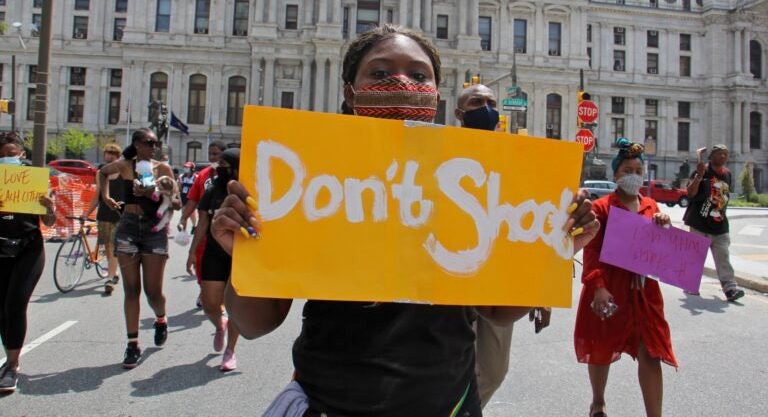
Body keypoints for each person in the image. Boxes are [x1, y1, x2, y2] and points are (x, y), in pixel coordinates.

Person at [211, 25, 600, 416]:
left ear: (436, 91)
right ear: (350, 91)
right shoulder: (306, 175)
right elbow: (255, 322)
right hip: (332, 404)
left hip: (448, 405)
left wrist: (550, 247)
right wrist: (240, 253)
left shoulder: (467, 177)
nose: (401, 82)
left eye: (418, 75)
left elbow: (500, 312)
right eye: (380, 73)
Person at [454, 83, 552, 408]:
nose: (487, 108)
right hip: (451, 271)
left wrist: (541, 289)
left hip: (499, 276)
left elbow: (532, 221)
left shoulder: (518, 159)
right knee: (445, 363)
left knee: (494, 370)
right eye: (477, 102)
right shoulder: (442, 151)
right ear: (459, 113)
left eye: (491, 102)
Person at [574, 138, 676, 417]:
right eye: (626, 170)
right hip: (609, 288)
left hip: (645, 293)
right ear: (615, 174)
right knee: (601, 346)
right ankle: (598, 401)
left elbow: (660, 250)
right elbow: (591, 250)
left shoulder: (652, 205)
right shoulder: (603, 208)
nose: (633, 176)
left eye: (637, 171)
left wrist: (664, 225)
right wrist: (598, 287)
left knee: (651, 351)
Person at [98, 128, 180, 368]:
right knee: (131, 289)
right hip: (129, 228)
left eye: (156, 143)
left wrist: (155, 191)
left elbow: (176, 202)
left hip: (154, 231)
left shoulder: (163, 169)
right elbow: (102, 173)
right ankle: (132, 344)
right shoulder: (124, 165)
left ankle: (161, 319)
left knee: (153, 292)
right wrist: (105, 197)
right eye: (148, 143)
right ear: (136, 144)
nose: (153, 147)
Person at [0, 132, 57, 393]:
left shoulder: (34, 181)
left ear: (22, 155)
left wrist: (49, 208)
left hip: (28, 250)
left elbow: (49, 223)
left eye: (12, 155)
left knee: (15, 303)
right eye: (2, 155)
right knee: (2, 307)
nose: (8, 159)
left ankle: (12, 366)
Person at [192, 148, 242, 371]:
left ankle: (230, 350)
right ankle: (219, 325)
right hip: (213, 252)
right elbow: (202, 222)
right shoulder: (211, 190)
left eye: (223, 164)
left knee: (236, 306)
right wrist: (193, 251)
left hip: (239, 254)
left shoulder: (245, 191)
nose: (217, 167)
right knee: (211, 304)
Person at [684, 144, 744, 302]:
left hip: (720, 223)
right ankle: (691, 283)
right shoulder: (702, 170)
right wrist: (699, 176)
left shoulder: (728, 174)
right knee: (696, 257)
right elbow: (690, 193)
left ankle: (730, 287)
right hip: (699, 223)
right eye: (720, 154)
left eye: (726, 154)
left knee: (723, 256)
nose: (723, 157)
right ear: (711, 156)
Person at [181, 141, 226, 308]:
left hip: (224, 228)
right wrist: (183, 218)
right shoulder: (203, 174)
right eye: (210, 154)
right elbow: (193, 198)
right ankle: (203, 289)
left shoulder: (233, 175)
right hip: (204, 226)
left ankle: (221, 296)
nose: (212, 157)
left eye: (216, 154)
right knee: (200, 260)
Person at [84, 143, 123, 295]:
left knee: (113, 246)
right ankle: (114, 272)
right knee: (107, 246)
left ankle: (110, 277)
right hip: (104, 214)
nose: (108, 163)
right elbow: (97, 196)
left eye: (112, 159)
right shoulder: (101, 173)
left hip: (120, 214)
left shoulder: (123, 172)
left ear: (117, 159)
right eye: (107, 159)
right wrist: (86, 213)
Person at [178, 162, 198, 230]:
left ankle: (194, 226)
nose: (186, 169)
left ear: (192, 169)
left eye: (187, 167)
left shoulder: (196, 177)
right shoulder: (181, 177)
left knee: (192, 213)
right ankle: (184, 230)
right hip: (184, 197)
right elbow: (179, 187)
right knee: (184, 213)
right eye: (185, 167)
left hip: (192, 198)